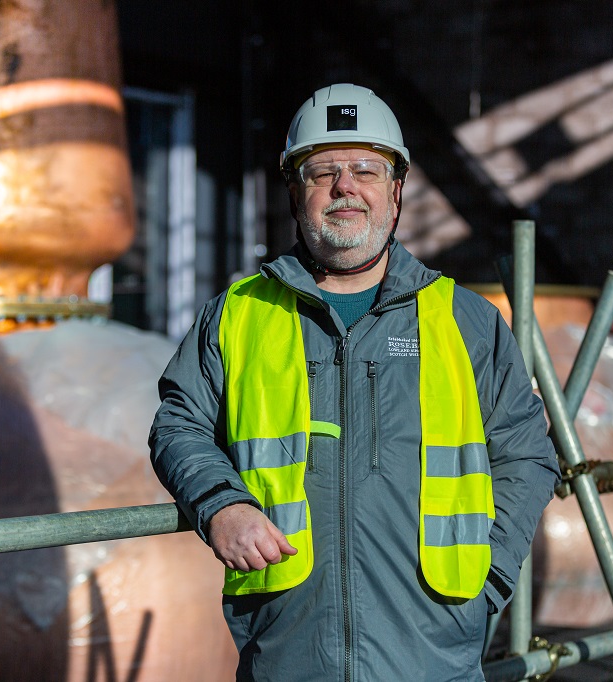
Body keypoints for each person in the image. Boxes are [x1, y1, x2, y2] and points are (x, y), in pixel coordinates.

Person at [149, 83, 560, 681]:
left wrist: (488, 579)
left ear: (396, 191)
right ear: (295, 193)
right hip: (287, 653)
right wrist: (221, 505)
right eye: (323, 173)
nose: (345, 187)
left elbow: (527, 455)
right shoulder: (238, 314)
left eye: (367, 169)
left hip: (433, 656)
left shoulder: (463, 320)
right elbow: (178, 423)